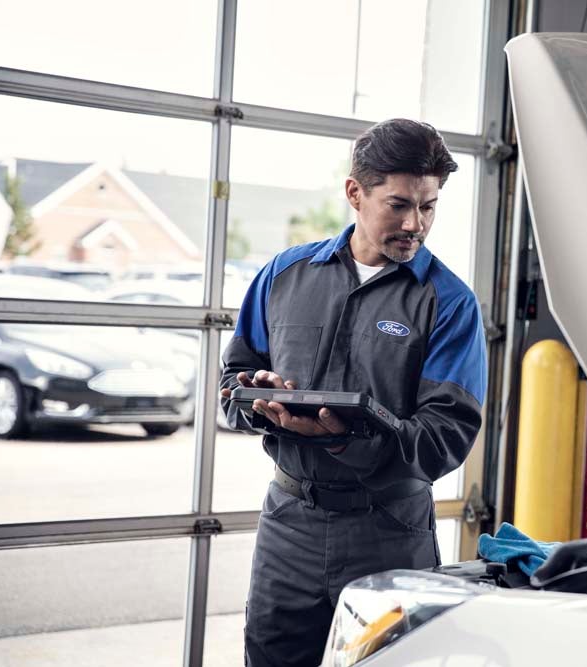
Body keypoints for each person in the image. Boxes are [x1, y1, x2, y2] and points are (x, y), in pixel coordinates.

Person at [219, 118, 487, 667]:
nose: (416, 223)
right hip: (288, 525)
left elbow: (445, 438)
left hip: (389, 530)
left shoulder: (449, 303)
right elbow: (232, 384)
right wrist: (257, 397)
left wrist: (346, 439)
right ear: (354, 193)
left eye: (429, 207)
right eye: (399, 205)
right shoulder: (283, 275)